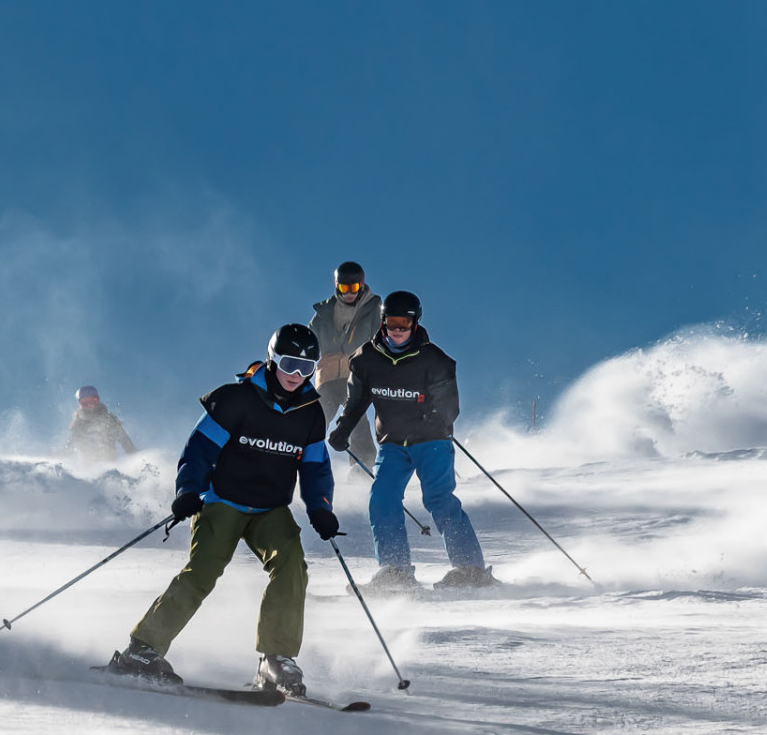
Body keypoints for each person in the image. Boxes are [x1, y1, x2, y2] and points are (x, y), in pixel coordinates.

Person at [109, 324, 341, 697]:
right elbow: (199, 449)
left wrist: (321, 507)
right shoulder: (236, 399)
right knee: (204, 570)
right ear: (271, 359)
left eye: (306, 367)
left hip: (269, 508)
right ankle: (143, 649)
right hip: (222, 500)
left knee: (291, 565)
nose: (297, 375)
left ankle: (275, 659)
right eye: (289, 364)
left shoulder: (310, 413)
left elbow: (315, 467)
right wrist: (188, 490)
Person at [327, 291, 494, 590]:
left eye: (404, 322)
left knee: (439, 500)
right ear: (382, 322)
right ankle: (395, 571)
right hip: (393, 444)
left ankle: (470, 568)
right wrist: (343, 430)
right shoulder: (366, 359)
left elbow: (449, 403)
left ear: (415, 323)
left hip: (432, 442)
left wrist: (438, 416)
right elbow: (356, 402)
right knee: (382, 499)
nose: (398, 330)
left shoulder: (434, 359)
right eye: (392, 322)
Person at [310, 262, 382, 472]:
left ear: (361, 285)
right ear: (336, 286)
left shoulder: (374, 310)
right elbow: (310, 339)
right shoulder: (323, 312)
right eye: (344, 288)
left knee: (356, 419)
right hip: (329, 374)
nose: (349, 293)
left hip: (357, 373)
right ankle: (296, 457)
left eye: (353, 288)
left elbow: (382, 339)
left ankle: (364, 466)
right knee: (317, 417)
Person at [65, 385, 137, 464]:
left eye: (93, 401)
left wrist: (134, 454)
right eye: (85, 403)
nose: (90, 405)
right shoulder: (78, 424)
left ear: (98, 401)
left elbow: (124, 439)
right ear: (80, 404)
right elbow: (71, 445)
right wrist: (59, 455)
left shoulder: (108, 419)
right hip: (88, 466)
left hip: (109, 464)